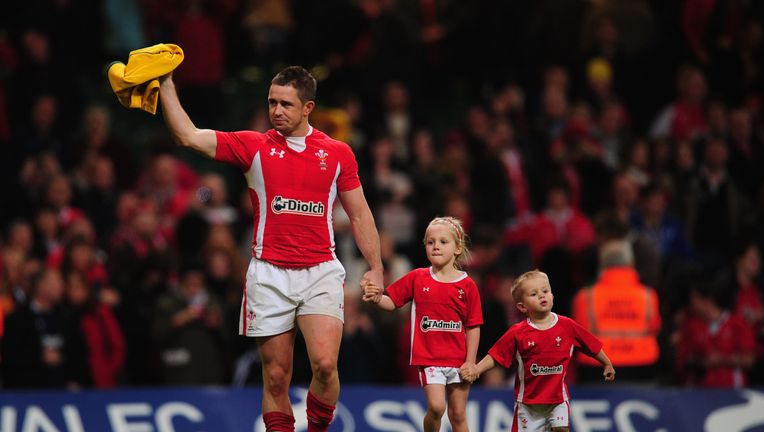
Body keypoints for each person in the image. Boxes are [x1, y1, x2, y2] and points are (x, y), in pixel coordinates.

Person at [158, 66, 383, 432]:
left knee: (325, 365)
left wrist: (375, 266)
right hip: (269, 274)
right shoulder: (253, 146)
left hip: (321, 270)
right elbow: (187, 136)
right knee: (276, 377)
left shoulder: (338, 152)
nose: (276, 111)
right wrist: (167, 84)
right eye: (271, 102)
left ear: (308, 107)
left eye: (286, 104)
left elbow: (359, 213)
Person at [362, 216, 483, 432]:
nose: (436, 246)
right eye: (430, 242)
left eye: (443, 242)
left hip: (458, 360)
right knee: (436, 408)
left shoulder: (468, 285)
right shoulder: (418, 278)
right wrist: (377, 298)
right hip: (429, 359)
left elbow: (473, 326)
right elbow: (393, 301)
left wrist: (471, 362)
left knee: (458, 414)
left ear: (457, 248)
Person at [460, 270, 615, 432]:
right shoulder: (517, 332)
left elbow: (591, 345)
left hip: (558, 400)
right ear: (522, 306)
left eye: (545, 291)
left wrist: (607, 363)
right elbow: (496, 355)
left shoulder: (567, 326)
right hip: (528, 404)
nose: (542, 296)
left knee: (561, 429)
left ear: (552, 295)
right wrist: (477, 369)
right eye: (534, 294)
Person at [571, 239, 661, 383]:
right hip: (642, 366)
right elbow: (655, 328)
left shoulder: (585, 297)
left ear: (601, 265)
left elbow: (576, 336)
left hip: (596, 367)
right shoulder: (648, 295)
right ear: (631, 263)